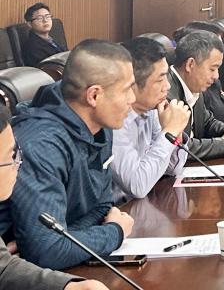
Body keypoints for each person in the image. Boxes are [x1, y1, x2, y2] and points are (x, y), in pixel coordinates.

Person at [4, 40, 134, 270]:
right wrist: (114, 232)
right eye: (127, 89)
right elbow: (47, 251)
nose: (132, 99)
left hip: (56, 265)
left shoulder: (101, 126)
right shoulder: (41, 144)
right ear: (94, 96)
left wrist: (64, 238)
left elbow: (103, 207)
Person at [0, 106, 110, 289]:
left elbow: (3, 269)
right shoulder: (42, 141)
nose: (17, 165)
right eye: (11, 157)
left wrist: (69, 286)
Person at [110, 38, 188, 201]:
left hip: (145, 205)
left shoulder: (152, 110)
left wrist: (176, 134)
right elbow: (137, 186)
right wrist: (170, 132)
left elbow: (171, 169)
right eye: (160, 79)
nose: (167, 86)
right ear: (132, 84)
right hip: (118, 209)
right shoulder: (114, 121)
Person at [167, 30, 224, 160]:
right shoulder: (165, 94)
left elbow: (207, 123)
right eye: (212, 69)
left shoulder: (193, 85)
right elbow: (178, 147)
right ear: (190, 65)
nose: (216, 76)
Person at [21, 3, 67, 67]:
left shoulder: (51, 39)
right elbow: (47, 68)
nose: (45, 20)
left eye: (47, 16)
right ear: (29, 24)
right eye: (40, 18)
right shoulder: (32, 47)